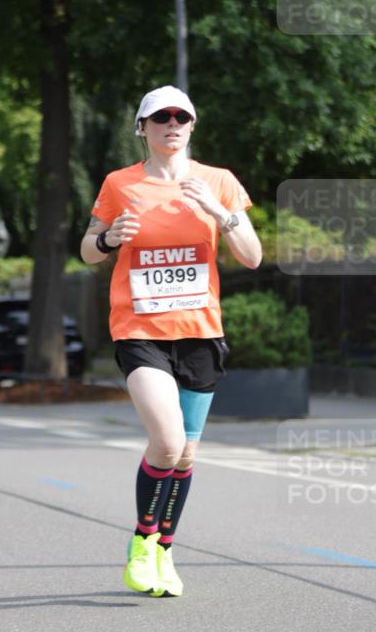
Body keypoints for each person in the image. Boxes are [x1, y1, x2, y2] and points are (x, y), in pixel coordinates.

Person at [80, 85, 262, 597]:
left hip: (200, 332)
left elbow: (252, 256)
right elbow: (87, 250)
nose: (172, 124)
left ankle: (164, 550)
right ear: (143, 128)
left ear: (192, 125)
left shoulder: (218, 181)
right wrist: (108, 239)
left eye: (182, 117)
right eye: (161, 117)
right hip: (140, 331)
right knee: (167, 442)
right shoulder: (120, 183)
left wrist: (220, 213)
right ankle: (142, 543)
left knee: (185, 456)